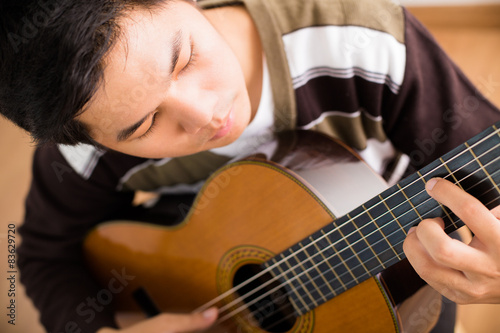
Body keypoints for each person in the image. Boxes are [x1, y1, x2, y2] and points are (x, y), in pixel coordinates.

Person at [1, 0, 499, 332]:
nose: (206, 114)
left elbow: (486, 163)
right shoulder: (84, 151)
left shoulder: (360, 39)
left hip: (399, 286)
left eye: (184, 58)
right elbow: (47, 256)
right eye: (146, 123)